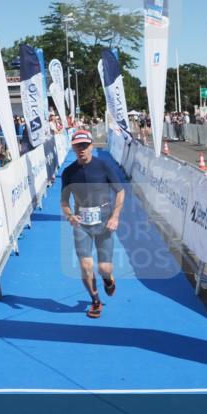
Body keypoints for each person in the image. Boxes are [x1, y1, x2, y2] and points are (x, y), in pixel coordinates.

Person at [60, 129, 125, 319]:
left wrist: (115, 217)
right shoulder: (69, 172)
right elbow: (64, 201)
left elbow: (120, 192)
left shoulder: (103, 166)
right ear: (72, 147)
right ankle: (95, 300)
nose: (81, 149)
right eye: (77, 146)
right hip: (81, 224)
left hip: (104, 222)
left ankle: (108, 280)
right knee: (86, 266)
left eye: (84, 145)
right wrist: (70, 215)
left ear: (91, 146)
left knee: (104, 268)